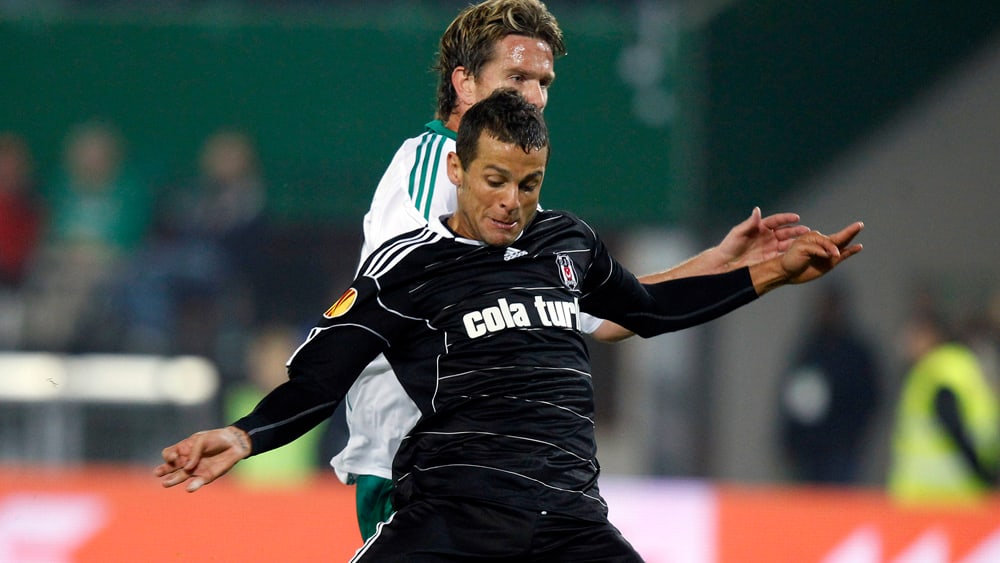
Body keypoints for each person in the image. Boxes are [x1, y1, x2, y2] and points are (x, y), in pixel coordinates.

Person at [157, 90, 863, 561]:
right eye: (495, 180)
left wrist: (769, 274)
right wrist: (243, 435)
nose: (511, 202)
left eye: (529, 184)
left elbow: (647, 310)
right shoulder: (408, 268)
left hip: (568, 521)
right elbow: (321, 376)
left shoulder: (568, 243)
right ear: (458, 168)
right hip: (453, 519)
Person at [333, 0, 812, 540]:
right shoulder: (432, 173)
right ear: (464, 83)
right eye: (517, 77)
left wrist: (719, 264)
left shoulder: (505, 200)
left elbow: (604, 316)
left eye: (544, 82)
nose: (536, 97)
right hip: (424, 465)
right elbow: (401, 309)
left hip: (503, 476)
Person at [888, 304, 1000, 505]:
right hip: (956, 494)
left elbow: (953, 425)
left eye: (914, 335)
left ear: (931, 334)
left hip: (938, 497)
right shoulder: (958, 364)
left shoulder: (937, 370)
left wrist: (982, 474)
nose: (907, 343)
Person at [777, 283, 881, 484]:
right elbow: (793, 398)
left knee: (838, 499)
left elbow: (870, 398)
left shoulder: (855, 353)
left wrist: (853, 435)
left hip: (842, 449)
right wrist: (789, 442)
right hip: (808, 450)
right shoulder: (809, 349)